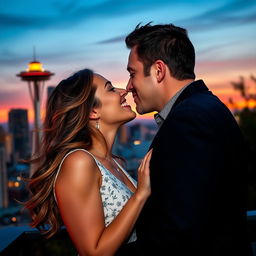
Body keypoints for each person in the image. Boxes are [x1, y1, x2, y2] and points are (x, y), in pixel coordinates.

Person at [116, 23, 252, 255]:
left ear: (158, 71)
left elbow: (179, 231)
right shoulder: (208, 107)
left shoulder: (188, 120)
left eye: (132, 74)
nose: (128, 86)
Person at [24, 68, 153, 256]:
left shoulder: (114, 163)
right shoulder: (79, 162)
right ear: (93, 111)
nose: (123, 91)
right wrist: (140, 194)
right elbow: (93, 252)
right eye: (110, 89)